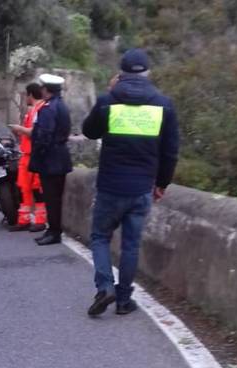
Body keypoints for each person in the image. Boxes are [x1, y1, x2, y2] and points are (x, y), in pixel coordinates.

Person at [82, 48, 179, 316]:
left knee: (100, 237)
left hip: (110, 187)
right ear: (148, 73)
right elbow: (170, 152)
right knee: (131, 245)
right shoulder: (163, 104)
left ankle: (105, 287)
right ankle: (124, 300)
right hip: (141, 190)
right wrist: (162, 184)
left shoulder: (107, 101)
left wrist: (110, 92)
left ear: (120, 74)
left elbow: (89, 132)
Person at [29, 74, 73, 246]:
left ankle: (54, 232)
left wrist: (38, 154)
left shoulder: (48, 109)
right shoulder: (61, 106)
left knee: (51, 198)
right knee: (55, 198)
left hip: (50, 160)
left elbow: (44, 135)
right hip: (60, 157)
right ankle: (53, 230)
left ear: (46, 90)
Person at [8, 83, 47, 233]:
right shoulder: (33, 111)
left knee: (37, 189)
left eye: (25, 95)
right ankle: (24, 220)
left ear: (30, 94)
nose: (25, 98)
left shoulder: (40, 109)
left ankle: (40, 221)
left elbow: (35, 132)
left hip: (35, 155)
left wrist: (19, 129)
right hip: (27, 155)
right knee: (24, 188)